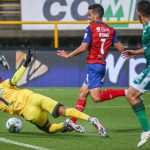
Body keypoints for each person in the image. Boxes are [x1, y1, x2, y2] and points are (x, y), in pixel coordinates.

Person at [0, 50, 107, 137]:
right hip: (33, 97)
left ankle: (65, 124)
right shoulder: (4, 85)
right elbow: (14, 79)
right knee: (63, 110)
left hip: (28, 111)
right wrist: (25, 63)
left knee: (49, 128)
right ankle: (91, 119)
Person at [57, 3, 125, 124]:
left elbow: (83, 48)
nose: (88, 17)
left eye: (89, 15)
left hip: (93, 65)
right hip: (102, 65)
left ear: (96, 15)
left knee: (96, 97)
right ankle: (72, 123)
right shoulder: (111, 30)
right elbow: (121, 48)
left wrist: (68, 55)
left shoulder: (90, 28)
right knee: (83, 93)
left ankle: (125, 92)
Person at [122, 0, 150, 147]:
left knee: (131, 94)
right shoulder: (146, 27)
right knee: (133, 94)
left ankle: (147, 130)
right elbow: (147, 48)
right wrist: (135, 52)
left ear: (139, 12)